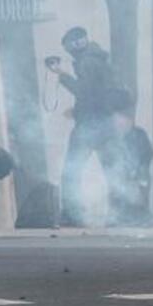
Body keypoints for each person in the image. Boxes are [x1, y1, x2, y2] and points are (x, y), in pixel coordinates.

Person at [47, 27, 120, 227]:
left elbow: (83, 91)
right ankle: (121, 214)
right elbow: (96, 94)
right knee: (113, 171)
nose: (69, 49)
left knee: (71, 171)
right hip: (105, 123)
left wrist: (61, 74)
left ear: (76, 43)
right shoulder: (99, 59)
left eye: (69, 45)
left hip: (89, 126)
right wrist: (78, 110)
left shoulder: (87, 62)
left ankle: (72, 214)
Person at [103, 90, 153, 226]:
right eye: (116, 119)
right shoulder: (111, 138)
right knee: (117, 190)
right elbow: (107, 160)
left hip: (137, 176)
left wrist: (137, 170)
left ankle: (141, 216)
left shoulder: (139, 134)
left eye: (123, 118)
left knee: (140, 188)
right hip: (120, 178)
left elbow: (148, 155)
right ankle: (117, 217)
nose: (118, 122)